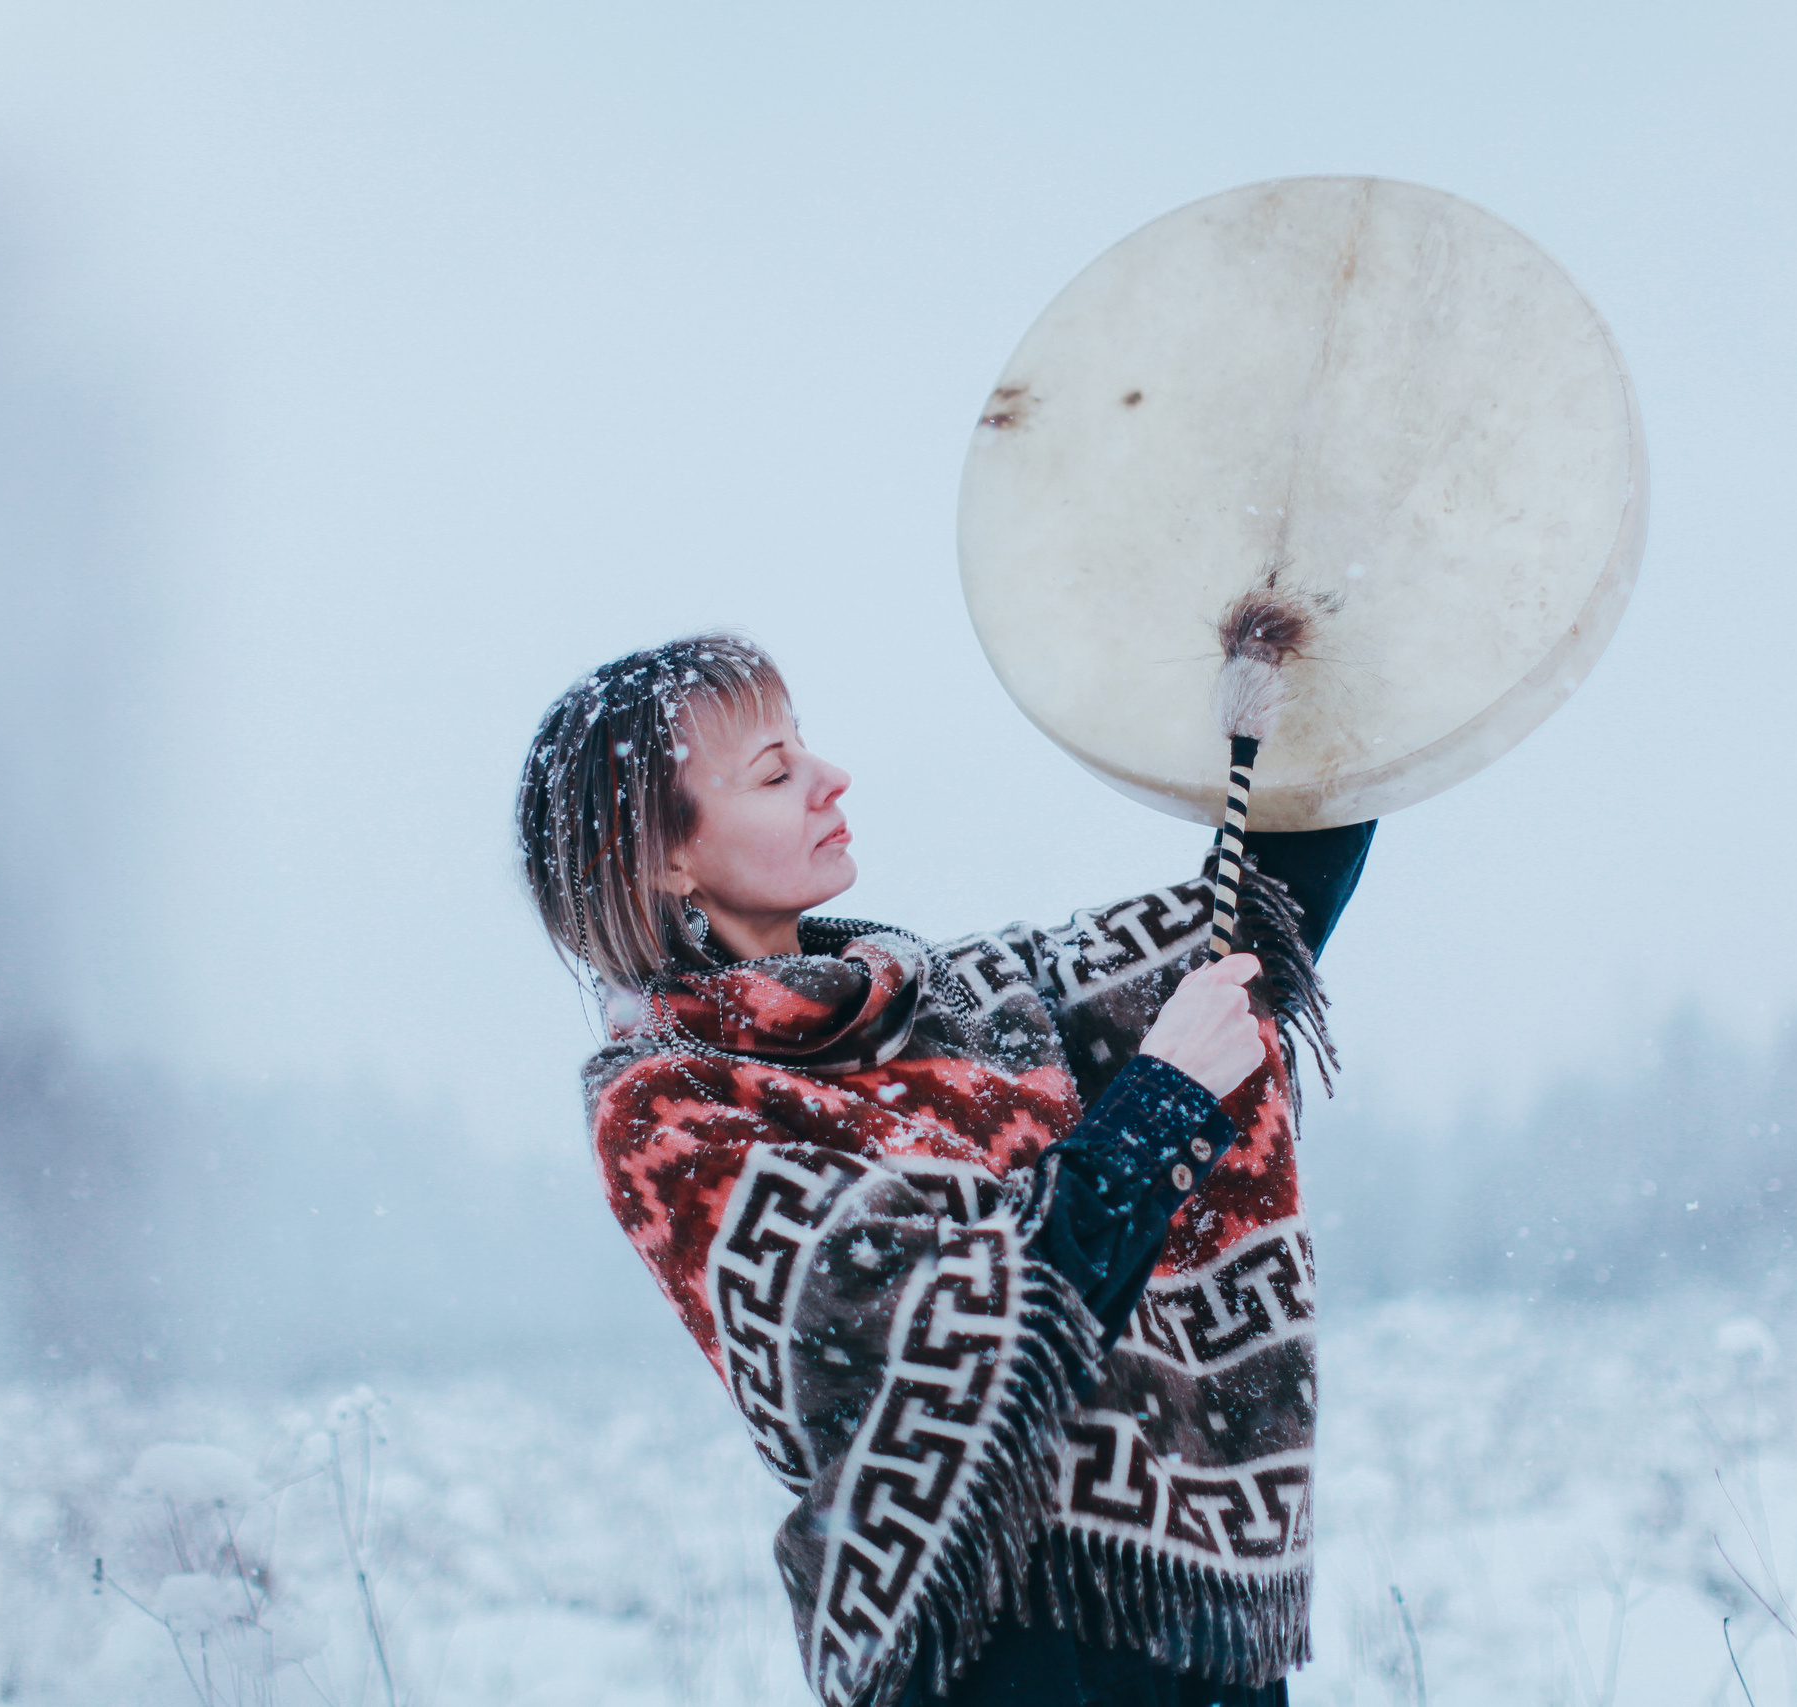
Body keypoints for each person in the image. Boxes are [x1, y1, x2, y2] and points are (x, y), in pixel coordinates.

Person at [515, 633, 1374, 1707]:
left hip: (1177, 1628)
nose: (830, 778)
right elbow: (947, 1334)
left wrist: (1316, 700)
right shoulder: (668, 1108)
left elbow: (1245, 921)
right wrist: (1161, 1102)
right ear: (663, 858)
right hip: (984, 1652)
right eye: (776, 772)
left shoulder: (967, 1003)